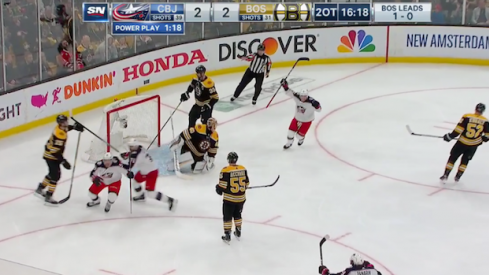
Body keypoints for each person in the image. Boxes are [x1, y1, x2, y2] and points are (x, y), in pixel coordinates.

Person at [35, 114, 83, 206]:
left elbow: (66, 129)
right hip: (51, 156)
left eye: (66, 121)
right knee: (56, 176)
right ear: (60, 123)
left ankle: (40, 188)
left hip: (51, 155)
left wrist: (74, 127)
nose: (66, 123)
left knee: (52, 173)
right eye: (64, 122)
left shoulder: (60, 128)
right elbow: (54, 152)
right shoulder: (59, 135)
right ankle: (48, 196)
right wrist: (63, 161)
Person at [120, 139, 177, 211]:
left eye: (131, 146)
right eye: (130, 146)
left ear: (135, 146)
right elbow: (132, 155)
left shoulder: (138, 156)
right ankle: (142, 195)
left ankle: (170, 200)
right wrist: (127, 155)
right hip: (144, 171)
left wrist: (123, 161)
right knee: (135, 182)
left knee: (150, 193)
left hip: (151, 173)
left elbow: (130, 166)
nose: (130, 148)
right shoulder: (140, 148)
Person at [440, 103, 489, 182]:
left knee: (452, 158)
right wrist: (482, 139)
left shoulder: (467, 116)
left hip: (462, 143)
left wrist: (450, 136)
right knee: (465, 161)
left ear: (475, 108)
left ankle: (446, 174)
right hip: (473, 145)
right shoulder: (485, 121)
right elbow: (487, 136)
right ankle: (458, 177)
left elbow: (458, 130)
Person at [215, 152, 250, 243]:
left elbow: (222, 186)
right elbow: (246, 183)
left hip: (229, 199)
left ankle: (227, 235)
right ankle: (238, 231)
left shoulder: (225, 170)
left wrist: (218, 188)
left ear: (228, 159)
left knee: (227, 216)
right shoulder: (243, 168)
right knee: (238, 215)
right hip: (241, 199)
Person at [280, 79, 321, 149]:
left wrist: (317, 106)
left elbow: (319, 110)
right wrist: (285, 86)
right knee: (290, 132)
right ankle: (289, 143)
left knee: (299, 136)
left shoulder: (312, 102)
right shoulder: (297, 97)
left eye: (304, 96)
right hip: (297, 118)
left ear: (307, 96)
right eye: (302, 96)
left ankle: (301, 139)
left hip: (307, 121)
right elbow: (290, 92)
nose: (303, 98)